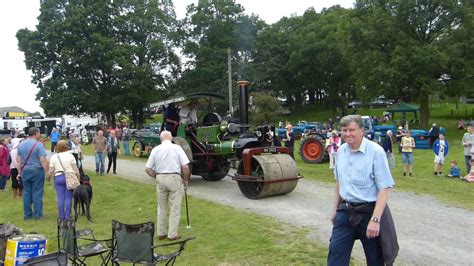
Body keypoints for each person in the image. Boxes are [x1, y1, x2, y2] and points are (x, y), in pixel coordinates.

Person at [328, 115, 398, 266]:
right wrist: (334, 210)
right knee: (335, 256)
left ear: (361, 130)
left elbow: (384, 188)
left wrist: (375, 220)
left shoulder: (376, 152)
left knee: (375, 260)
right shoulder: (341, 151)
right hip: (345, 211)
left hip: (369, 213)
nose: (347, 134)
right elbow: (339, 183)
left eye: (351, 130)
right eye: (344, 130)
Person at [145, 131, 190, 241]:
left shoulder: (156, 149)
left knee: (161, 207)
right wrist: (185, 180)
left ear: (161, 139)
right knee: (175, 207)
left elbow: (147, 169)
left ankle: (161, 233)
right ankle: (172, 234)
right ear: (170, 138)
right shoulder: (177, 148)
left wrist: (156, 176)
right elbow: (185, 167)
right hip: (174, 177)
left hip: (160, 178)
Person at [17, 127, 49, 220]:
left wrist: (19, 172)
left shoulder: (21, 145)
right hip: (37, 170)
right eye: (39, 133)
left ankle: (27, 214)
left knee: (26, 193)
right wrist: (47, 172)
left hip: (25, 170)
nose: (40, 135)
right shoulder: (38, 145)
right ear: (36, 133)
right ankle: (38, 214)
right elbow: (43, 160)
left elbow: (18, 160)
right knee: (37, 192)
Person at [47, 140, 80, 221]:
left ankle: (61, 216)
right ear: (66, 147)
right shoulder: (70, 156)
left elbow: (51, 171)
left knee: (60, 197)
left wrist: (48, 178)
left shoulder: (54, 157)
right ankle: (68, 216)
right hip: (69, 177)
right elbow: (76, 170)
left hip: (58, 177)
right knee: (68, 197)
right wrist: (78, 178)